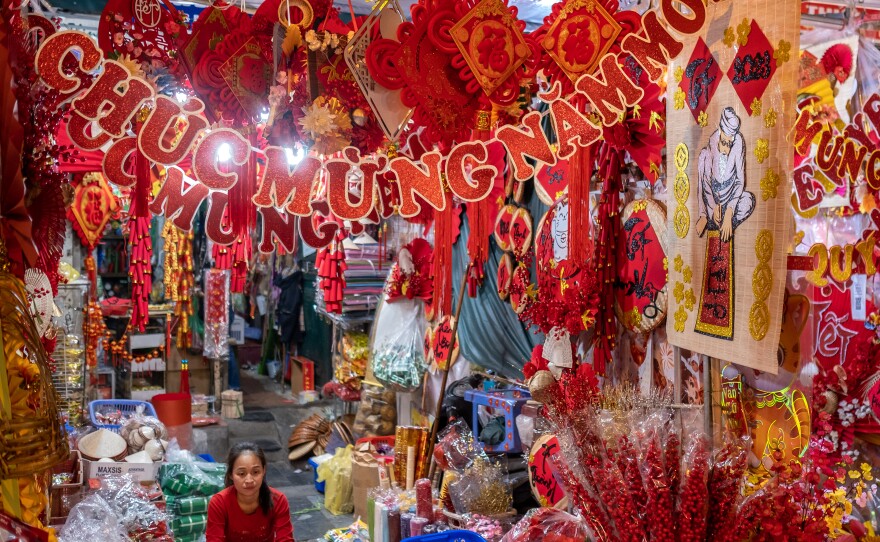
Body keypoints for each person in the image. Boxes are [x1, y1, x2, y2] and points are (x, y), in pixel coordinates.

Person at [206, 442, 295, 542]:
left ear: (264, 470)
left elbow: (286, 539)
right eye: (241, 474)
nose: (249, 480)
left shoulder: (278, 500)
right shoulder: (219, 503)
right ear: (231, 474)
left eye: (255, 472)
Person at [696, 106, 755, 243]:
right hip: (713, 201)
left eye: (730, 144)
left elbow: (740, 181)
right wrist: (712, 208)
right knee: (702, 155)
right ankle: (708, 218)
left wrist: (729, 211)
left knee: (748, 200)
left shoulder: (739, 142)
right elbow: (705, 184)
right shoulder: (711, 144)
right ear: (720, 132)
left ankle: (722, 225)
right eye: (723, 142)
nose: (726, 149)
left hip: (731, 201)